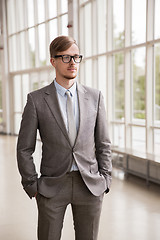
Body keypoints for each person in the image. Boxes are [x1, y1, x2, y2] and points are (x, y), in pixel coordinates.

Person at [17, 35, 112, 240]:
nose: (73, 63)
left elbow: (103, 143)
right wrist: (32, 185)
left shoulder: (95, 97)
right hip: (51, 187)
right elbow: (24, 148)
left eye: (76, 57)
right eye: (66, 57)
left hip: (90, 186)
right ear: (53, 61)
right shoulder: (36, 100)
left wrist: (106, 179)